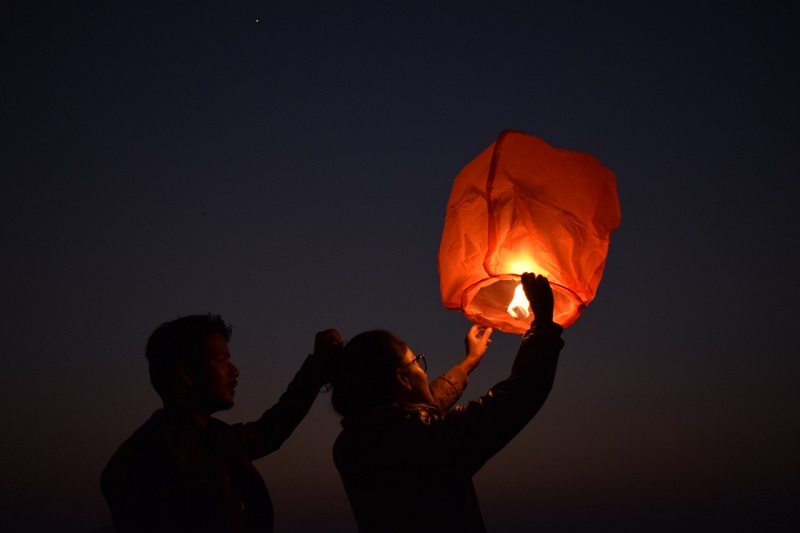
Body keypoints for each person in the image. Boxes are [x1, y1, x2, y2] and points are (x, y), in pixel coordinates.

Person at [329, 273, 564, 532]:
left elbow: (422, 410)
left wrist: (469, 361)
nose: (423, 371)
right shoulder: (420, 440)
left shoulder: (357, 441)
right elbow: (517, 397)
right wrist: (542, 323)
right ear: (401, 380)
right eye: (416, 362)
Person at [101, 314, 340, 532]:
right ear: (185, 373)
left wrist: (317, 366)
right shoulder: (145, 458)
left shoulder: (218, 438)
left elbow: (271, 429)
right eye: (222, 359)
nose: (234, 371)